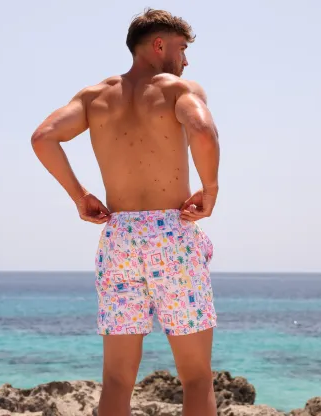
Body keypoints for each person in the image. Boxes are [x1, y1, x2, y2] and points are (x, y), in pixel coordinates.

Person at [31, 8, 220, 416]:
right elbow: (203, 131)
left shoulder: (94, 97)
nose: (186, 60)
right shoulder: (179, 90)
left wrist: (80, 195)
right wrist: (210, 189)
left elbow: (43, 137)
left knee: (117, 379)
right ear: (159, 45)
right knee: (196, 377)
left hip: (119, 240)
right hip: (172, 236)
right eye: (182, 49)